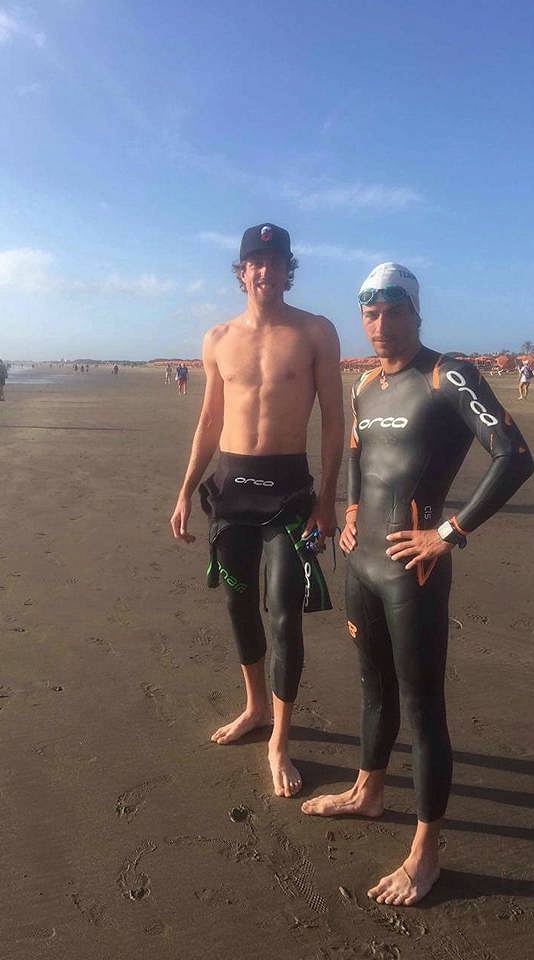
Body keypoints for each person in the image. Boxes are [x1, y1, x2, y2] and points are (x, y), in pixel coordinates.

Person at [301, 263, 534, 905]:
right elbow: (357, 451)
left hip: (415, 570)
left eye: (393, 311)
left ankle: (425, 852)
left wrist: (449, 532)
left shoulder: (446, 375)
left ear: (415, 312)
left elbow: (514, 458)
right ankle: (368, 791)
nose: (381, 324)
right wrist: (352, 509)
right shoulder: (365, 384)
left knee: (423, 707)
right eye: (370, 313)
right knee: (373, 687)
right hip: (363, 564)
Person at [170, 223, 344, 798]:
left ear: (289, 269)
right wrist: (184, 492)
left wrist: (327, 500)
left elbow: (334, 420)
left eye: (276, 260)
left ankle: (279, 741)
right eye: (256, 261)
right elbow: (208, 421)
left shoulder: (315, 331)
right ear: (242, 271)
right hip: (232, 489)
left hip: (289, 491)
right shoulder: (218, 337)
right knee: (237, 602)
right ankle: (255, 708)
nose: (266, 270)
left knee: (285, 610)